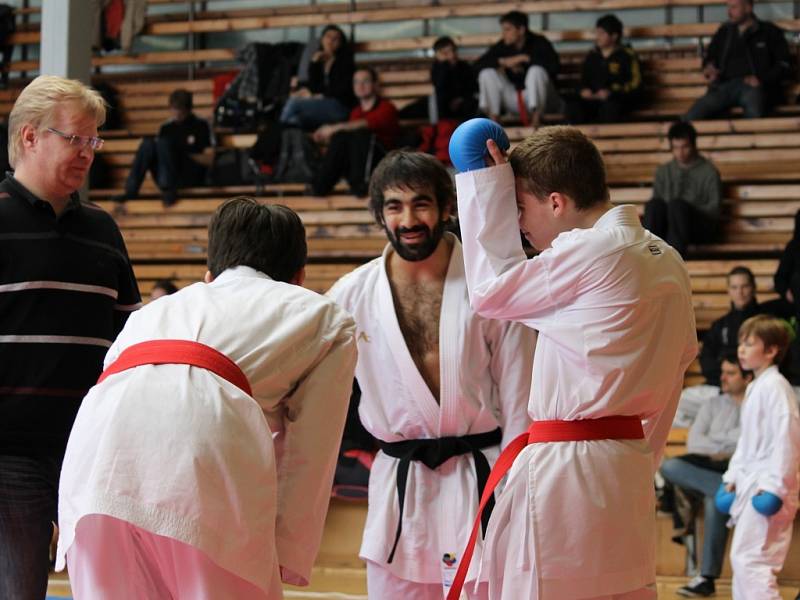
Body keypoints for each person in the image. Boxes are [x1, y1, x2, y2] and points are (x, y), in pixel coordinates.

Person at [56, 197, 357, 598]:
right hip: (196, 456)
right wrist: (287, 550)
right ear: (299, 275)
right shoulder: (323, 315)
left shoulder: (153, 312)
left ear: (209, 272)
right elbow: (311, 447)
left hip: (92, 463)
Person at [450, 124, 697, 599]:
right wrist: (644, 461)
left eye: (520, 208)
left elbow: (488, 293)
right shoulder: (668, 259)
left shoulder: (589, 249)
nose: (520, 224)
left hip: (569, 473)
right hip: (627, 465)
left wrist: (488, 192)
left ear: (557, 202)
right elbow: (678, 369)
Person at [327, 150, 535, 599]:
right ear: (379, 215)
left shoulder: (489, 286)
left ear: (446, 207)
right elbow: (315, 390)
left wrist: (518, 486)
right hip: (400, 492)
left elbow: (521, 395)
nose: (408, 219)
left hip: (482, 481)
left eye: (421, 203)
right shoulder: (349, 296)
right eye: (394, 206)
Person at [0, 74, 141, 600]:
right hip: (10, 452)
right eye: (75, 138)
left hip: (94, 450)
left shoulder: (103, 230)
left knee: (111, 589)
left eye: (94, 141)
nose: (88, 153)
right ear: (30, 136)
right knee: (18, 589)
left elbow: (130, 335)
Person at [661, 353, 751, 598]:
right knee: (669, 466)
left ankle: (707, 578)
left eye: (730, 373)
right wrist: (726, 444)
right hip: (706, 469)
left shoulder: (755, 403)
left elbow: (748, 444)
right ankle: (720, 491)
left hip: (741, 471)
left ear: (746, 376)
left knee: (715, 501)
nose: (723, 378)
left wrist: (718, 443)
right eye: (722, 372)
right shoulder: (712, 404)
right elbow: (695, 443)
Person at [722, 315, 799, 598]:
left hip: (770, 485)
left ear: (771, 351)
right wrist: (731, 478)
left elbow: (787, 437)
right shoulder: (757, 386)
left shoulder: (776, 387)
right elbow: (747, 442)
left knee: (753, 562)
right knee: (742, 560)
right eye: (741, 342)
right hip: (752, 483)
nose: (741, 349)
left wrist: (776, 487)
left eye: (749, 343)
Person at [674, 266, 761, 427]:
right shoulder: (720, 325)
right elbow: (706, 359)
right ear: (728, 290)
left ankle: (717, 431)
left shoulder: (764, 322)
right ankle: (711, 432)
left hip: (753, 389)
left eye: (745, 286)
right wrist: (725, 380)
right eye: (734, 287)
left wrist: (742, 381)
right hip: (719, 387)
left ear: (754, 288)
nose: (740, 292)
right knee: (677, 403)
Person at [685, 0, 791, 120]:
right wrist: (710, 68)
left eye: (734, 7)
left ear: (748, 8)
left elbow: (784, 65)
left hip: (754, 87)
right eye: (728, 7)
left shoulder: (769, 31)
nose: (729, 11)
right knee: (692, 115)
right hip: (724, 86)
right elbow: (710, 58)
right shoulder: (724, 32)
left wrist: (761, 79)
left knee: (754, 110)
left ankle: (751, 138)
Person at [114, 89, 212, 209]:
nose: (176, 114)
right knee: (148, 144)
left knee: (164, 144)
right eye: (174, 109)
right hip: (166, 174)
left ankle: (168, 187)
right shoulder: (166, 128)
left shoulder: (201, 125)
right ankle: (131, 190)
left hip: (190, 174)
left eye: (180, 110)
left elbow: (210, 159)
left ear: (188, 109)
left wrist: (181, 154)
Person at [310, 67, 399, 197]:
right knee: (342, 137)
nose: (360, 85)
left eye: (365, 81)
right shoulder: (355, 112)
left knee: (360, 134)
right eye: (356, 82)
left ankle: (361, 186)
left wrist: (332, 128)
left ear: (375, 84)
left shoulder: (387, 107)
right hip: (357, 166)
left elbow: (366, 123)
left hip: (383, 163)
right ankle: (320, 187)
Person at [642, 121, 722, 257]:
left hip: (698, 228)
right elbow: (658, 208)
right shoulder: (663, 171)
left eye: (685, 147)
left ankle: (674, 260)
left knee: (677, 206)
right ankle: (651, 256)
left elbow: (714, 210)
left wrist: (687, 210)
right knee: (654, 205)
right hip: (669, 227)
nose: (680, 152)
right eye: (676, 148)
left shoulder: (709, 171)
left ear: (694, 145)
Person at [474, 11, 561, 127]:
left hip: (544, 101)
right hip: (515, 101)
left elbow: (554, 67)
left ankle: (536, 121)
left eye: (508, 29)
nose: (504, 34)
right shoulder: (503, 45)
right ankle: (494, 121)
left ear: (521, 30)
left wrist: (526, 59)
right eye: (503, 30)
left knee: (536, 71)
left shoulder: (539, 42)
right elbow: (477, 66)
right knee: (487, 73)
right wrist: (504, 62)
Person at [565, 14, 642, 124]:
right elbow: (583, 81)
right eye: (596, 33)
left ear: (614, 36)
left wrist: (611, 92)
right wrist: (583, 91)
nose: (597, 37)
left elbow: (636, 85)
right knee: (573, 106)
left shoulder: (627, 56)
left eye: (602, 33)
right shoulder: (592, 56)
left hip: (618, 100)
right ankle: (576, 140)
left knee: (610, 107)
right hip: (593, 101)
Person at [280, 25, 356, 130]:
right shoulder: (319, 61)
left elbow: (344, 90)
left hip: (340, 108)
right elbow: (313, 88)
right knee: (295, 119)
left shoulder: (345, 62)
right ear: (322, 40)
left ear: (340, 43)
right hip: (322, 109)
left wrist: (321, 95)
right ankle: (293, 144)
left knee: (294, 103)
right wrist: (314, 63)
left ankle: (276, 134)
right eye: (328, 36)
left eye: (336, 38)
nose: (331, 40)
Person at [400, 36, 479, 123]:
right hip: (443, 105)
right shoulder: (438, 68)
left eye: (453, 50)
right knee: (423, 105)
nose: (452, 55)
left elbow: (472, 88)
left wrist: (460, 99)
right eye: (446, 53)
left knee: (471, 104)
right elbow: (439, 87)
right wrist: (443, 65)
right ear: (439, 55)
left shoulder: (464, 67)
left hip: (463, 104)